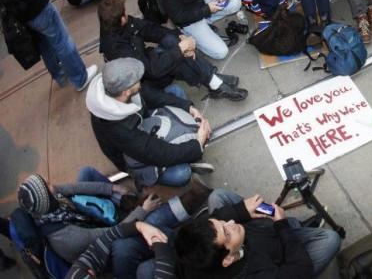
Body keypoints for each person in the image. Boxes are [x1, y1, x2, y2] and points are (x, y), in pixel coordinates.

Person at [17, 171, 211, 278]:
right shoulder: (68, 238)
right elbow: (113, 234)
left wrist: (112, 187)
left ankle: (128, 201)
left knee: (86, 173)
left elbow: (81, 187)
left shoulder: (49, 201)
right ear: (47, 199)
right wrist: (143, 212)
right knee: (143, 227)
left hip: (95, 228)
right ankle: (188, 205)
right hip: (105, 254)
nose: (53, 183)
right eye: (48, 185)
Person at [86, 57, 214, 189]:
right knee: (182, 174)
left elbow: (152, 96)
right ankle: (147, 177)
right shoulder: (118, 130)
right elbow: (158, 153)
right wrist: (197, 144)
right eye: (137, 81)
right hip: (136, 157)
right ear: (126, 92)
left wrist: (190, 108)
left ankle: (185, 150)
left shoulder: (115, 89)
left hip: (142, 125)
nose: (140, 81)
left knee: (174, 91)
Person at [98, 0, 248, 104]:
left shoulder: (120, 24)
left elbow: (150, 29)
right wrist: (180, 49)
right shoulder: (116, 49)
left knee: (172, 42)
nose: (127, 13)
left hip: (146, 60)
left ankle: (211, 79)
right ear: (120, 19)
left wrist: (178, 37)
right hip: (144, 82)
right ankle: (213, 81)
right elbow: (150, 70)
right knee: (175, 58)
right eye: (124, 12)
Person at [172, 188, 342, 277]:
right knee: (330, 239)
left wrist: (241, 209)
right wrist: (282, 227)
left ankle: (291, 225)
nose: (231, 223)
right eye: (228, 232)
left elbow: (216, 218)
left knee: (218, 196)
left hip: (258, 235)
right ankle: (293, 227)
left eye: (223, 223)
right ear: (228, 259)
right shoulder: (256, 273)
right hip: (279, 254)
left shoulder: (192, 249)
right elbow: (299, 271)